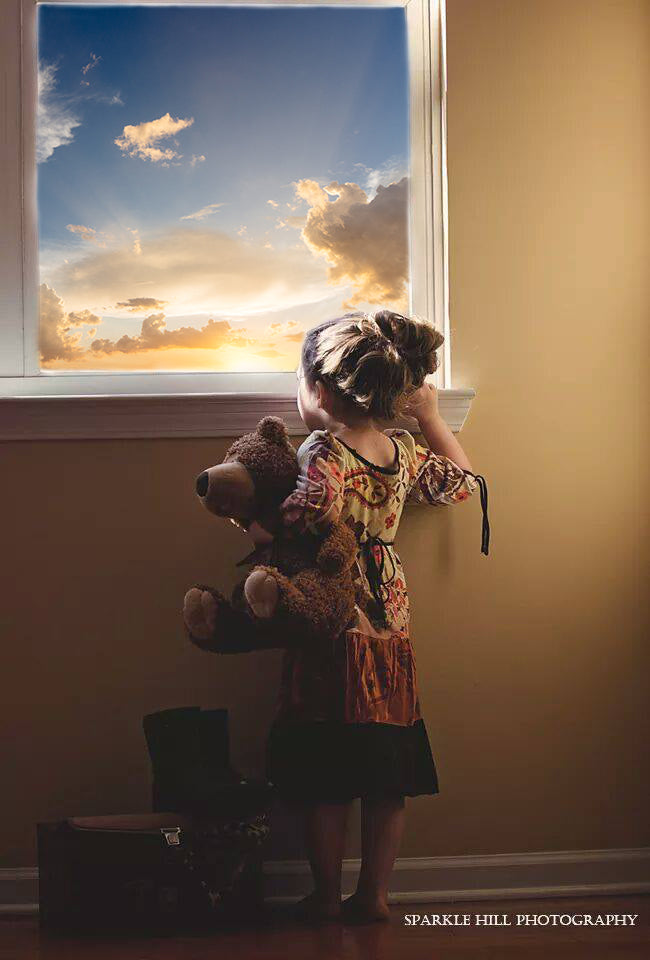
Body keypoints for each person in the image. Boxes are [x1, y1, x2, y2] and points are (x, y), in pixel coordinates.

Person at [264, 309, 490, 923]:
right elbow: (464, 485)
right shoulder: (402, 450)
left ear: (319, 390)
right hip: (390, 621)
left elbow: (309, 513)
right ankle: (376, 896)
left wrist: (272, 512)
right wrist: (432, 418)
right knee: (385, 770)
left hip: (334, 613)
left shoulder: (322, 449)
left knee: (326, 770)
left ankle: (324, 895)